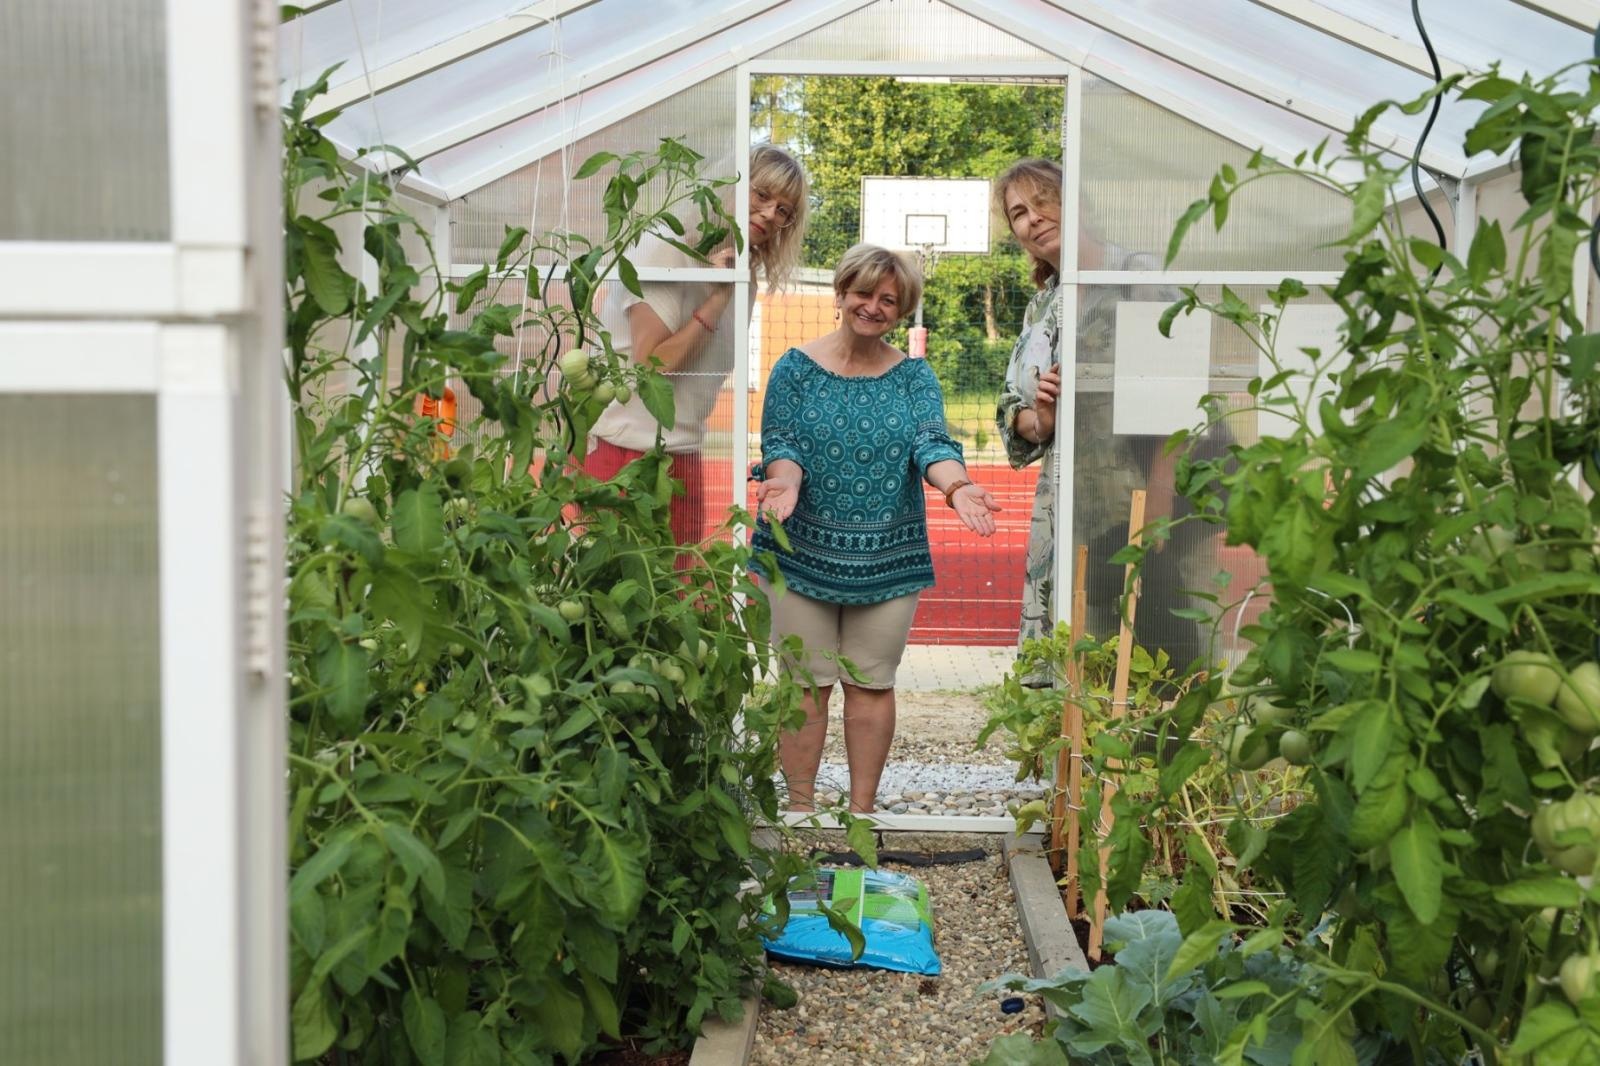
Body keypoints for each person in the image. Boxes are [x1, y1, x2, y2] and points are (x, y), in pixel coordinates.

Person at [751, 244, 1002, 813]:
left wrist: (957, 486)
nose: (873, 306)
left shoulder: (914, 377)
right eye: (864, 293)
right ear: (841, 294)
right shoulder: (794, 367)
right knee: (804, 687)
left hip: (889, 557)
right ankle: (799, 812)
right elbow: (781, 442)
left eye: (889, 299)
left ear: (901, 309)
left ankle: (862, 817)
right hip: (798, 550)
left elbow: (931, 442)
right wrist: (785, 481)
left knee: (870, 685)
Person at [993, 158, 1213, 684]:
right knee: (1076, 655)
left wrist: (1159, 496)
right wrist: (1039, 418)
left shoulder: (1136, 276)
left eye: (1042, 200)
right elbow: (1013, 407)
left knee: (1153, 653)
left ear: (1079, 204)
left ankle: (1152, 758)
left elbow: (1180, 393)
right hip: (1068, 502)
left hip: (1137, 498)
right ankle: (1081, 765)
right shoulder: (1043, 304)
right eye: (1018, 213)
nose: (1032, 219)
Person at [584, 145, 809, 544]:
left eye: (784, 210)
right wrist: (717, 298)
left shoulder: (744, 278)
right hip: (619, 449)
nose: (771, 213)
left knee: (677, 592)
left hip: (683, 452)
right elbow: (652, 365)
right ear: (731, 185)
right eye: (761, 195)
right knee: (604, 589)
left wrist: (727, 287)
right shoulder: (667, 247)